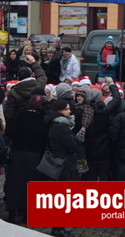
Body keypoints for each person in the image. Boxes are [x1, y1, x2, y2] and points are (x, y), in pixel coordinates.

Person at [4, 95, 48, 224]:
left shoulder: (22, 116)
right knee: (31, 184)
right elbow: (44, 140)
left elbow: (10, 131)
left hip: (19, 153)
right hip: (34, 155)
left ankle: (12, 213)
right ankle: (27, 214)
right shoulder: (43, 120)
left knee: (15, 183)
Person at [43, 98, 78, 237]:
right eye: (66, 109)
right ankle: (58, 229)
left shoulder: (55, 124)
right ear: (59, 111)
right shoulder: (60, 127)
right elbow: (73, 146)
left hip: (60, 162)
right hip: (63, 164)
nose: (69, 111)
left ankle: (59, 227)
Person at [4, 55, 47, 128]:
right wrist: (34, 63)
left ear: (18, 77)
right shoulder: (39, 85)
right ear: (31, 75)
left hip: (19, 125)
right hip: (36, 123)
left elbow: (9, 114)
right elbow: (42, 76)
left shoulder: (13, 92)